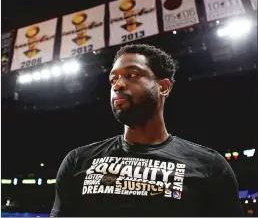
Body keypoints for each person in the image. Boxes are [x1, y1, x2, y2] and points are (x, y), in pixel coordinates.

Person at [50, 44, 243, 217]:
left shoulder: (210, 166)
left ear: (163, 87)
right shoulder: (78, 161)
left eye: (131, 75)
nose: (118, 85)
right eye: (113, 79)